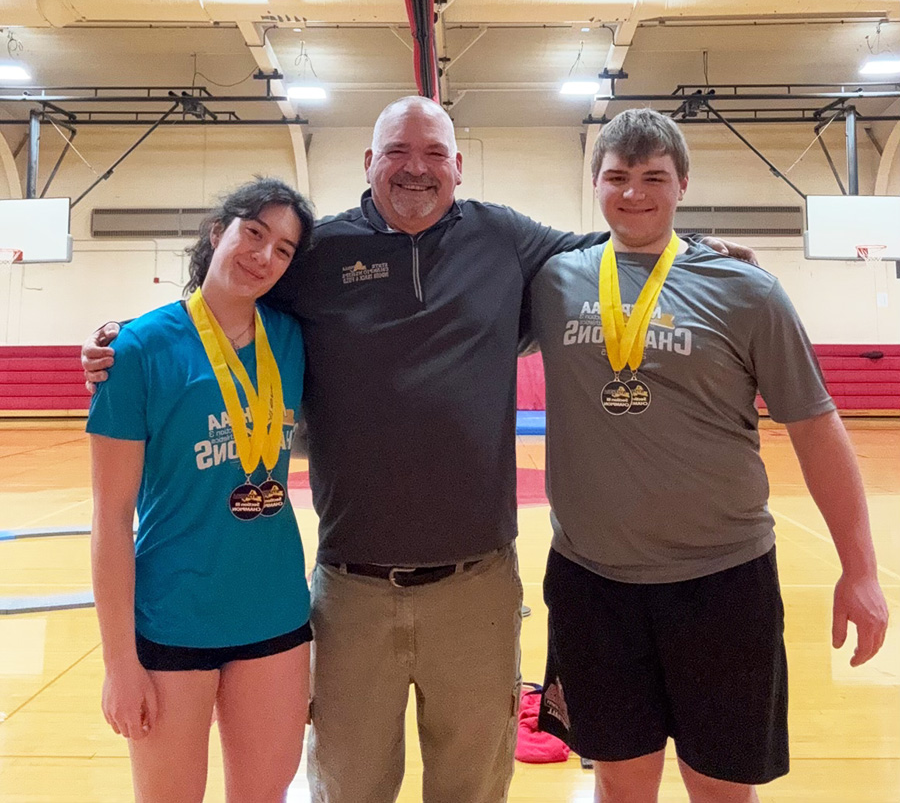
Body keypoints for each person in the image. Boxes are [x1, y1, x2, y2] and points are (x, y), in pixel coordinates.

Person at [82, 97, 755, 803]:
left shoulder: (504, 238)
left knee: (472, 786)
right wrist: (121, 338)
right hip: (351, 590)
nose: (416, 168)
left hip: (477, 587)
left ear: (458, 167)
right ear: (368, 163)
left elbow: (609, 248)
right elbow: (227, 297)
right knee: (351, 786)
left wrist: (699, 249)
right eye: (397, 152)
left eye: (434, 153)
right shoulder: (317, 254)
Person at [527, 109, 889, 803]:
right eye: (618, 176)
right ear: (594, 182)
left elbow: (816, 428)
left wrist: (861, 570)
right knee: (620, 784)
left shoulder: (746, 290)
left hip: (723, 582)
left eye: (654, 176)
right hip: (591, 580)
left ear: (683, 184)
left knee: (721, 788)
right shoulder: (554, 279)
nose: (635, 192)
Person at [87, 178, 316, 803]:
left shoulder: (294, 340)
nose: (264, 256)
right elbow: (110, 518)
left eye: (284, 250)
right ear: (218, 232)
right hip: (171, 620)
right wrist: (119, 664)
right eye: (254, 233)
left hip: (275, 616)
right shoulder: (135, 350)